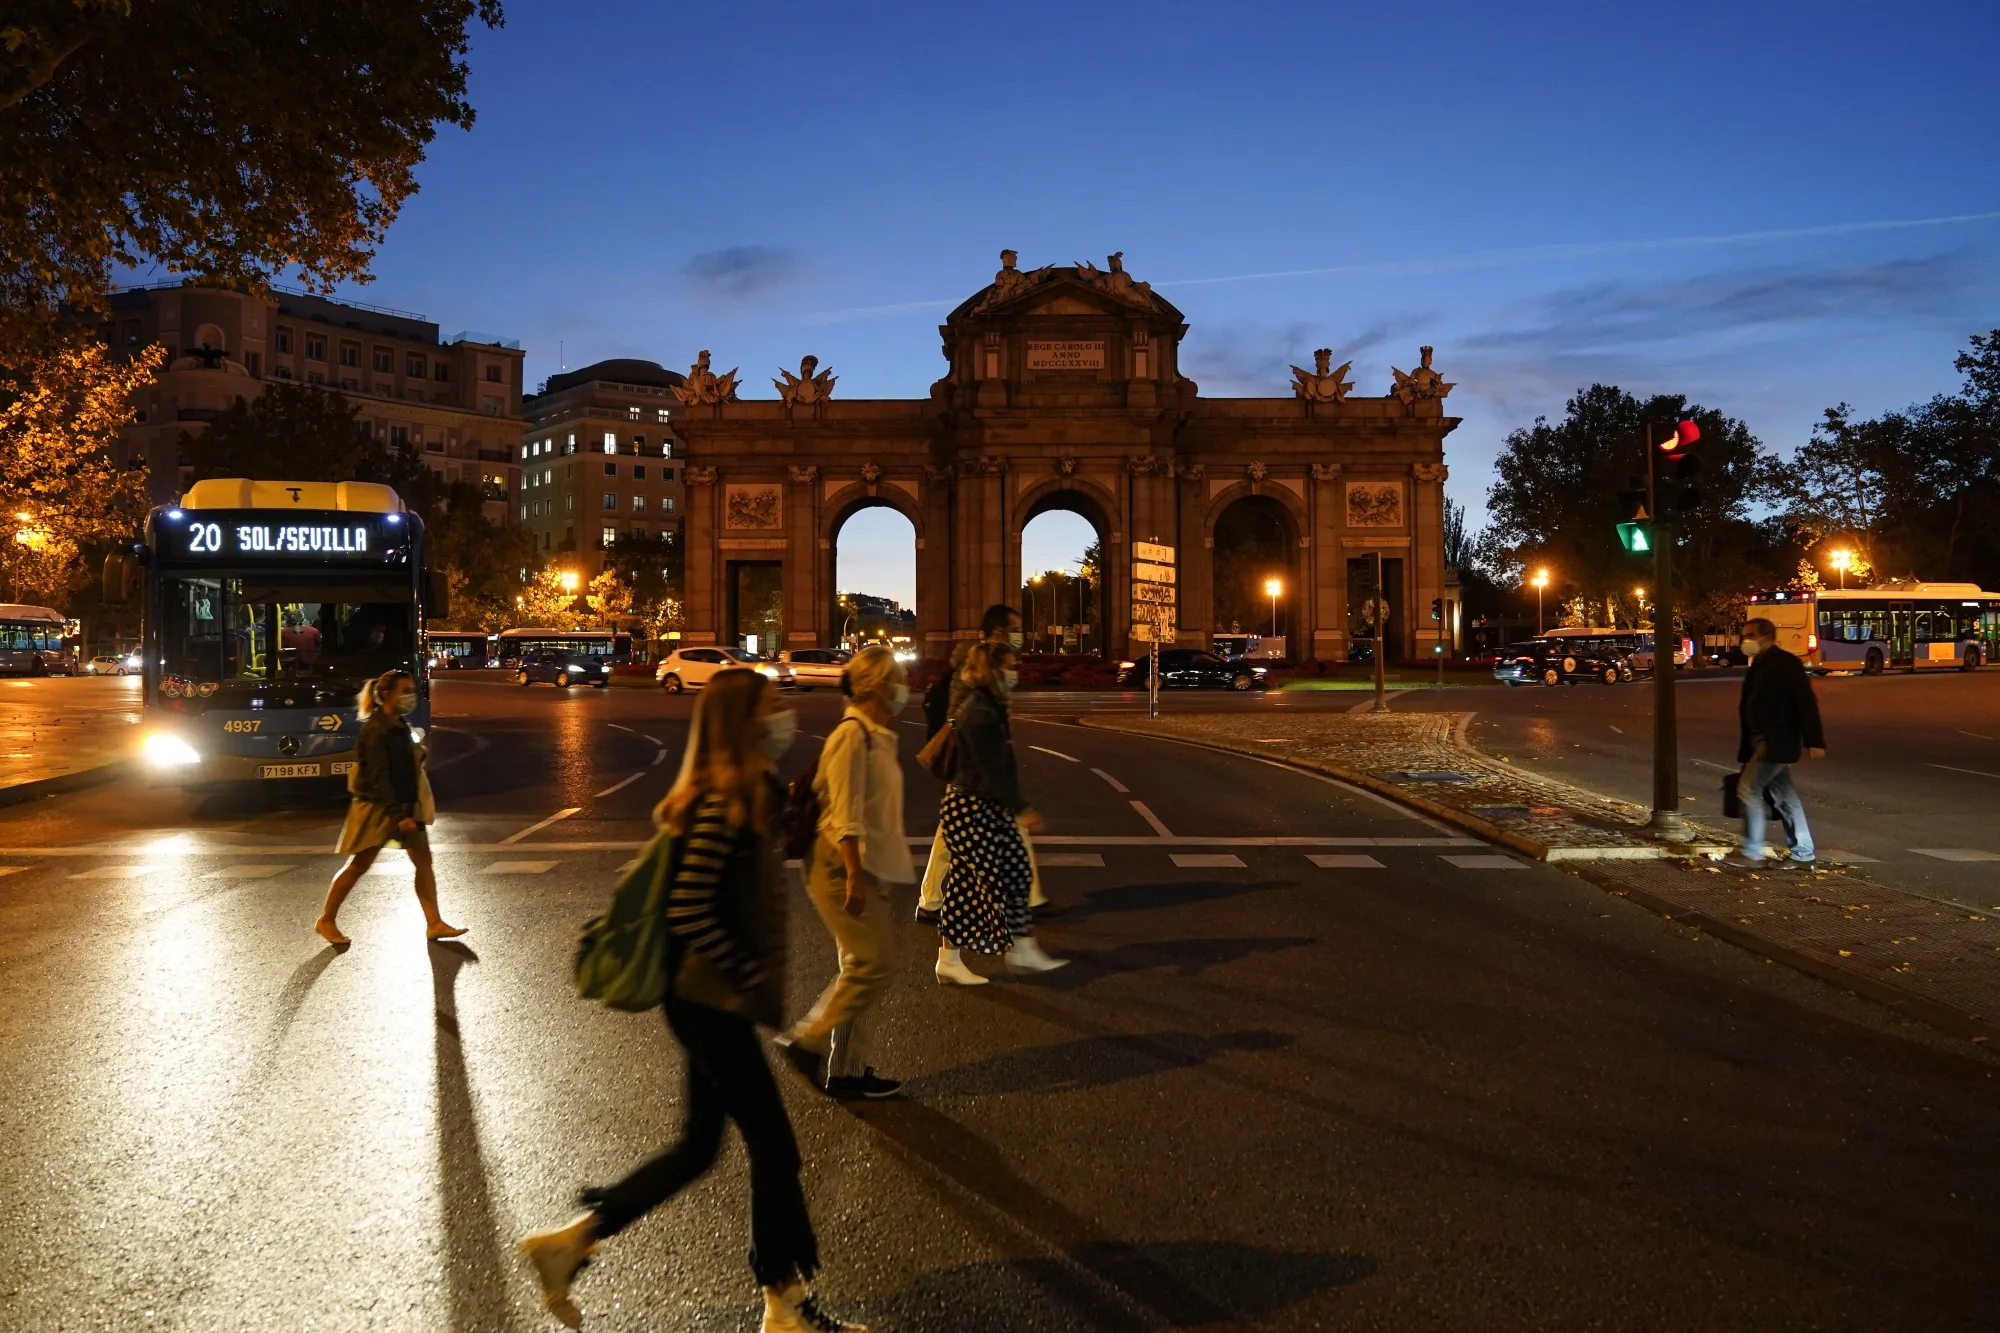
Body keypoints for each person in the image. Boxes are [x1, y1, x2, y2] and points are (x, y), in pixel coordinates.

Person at [517, 669, 863, 1333]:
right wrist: (744, 969)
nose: (783, 713)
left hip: (708, 1000)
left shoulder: (745, 791)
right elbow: (690, 906)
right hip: (709, 1001)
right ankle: (785, 1304)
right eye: (771, 706)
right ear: (744, 722)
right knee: (776, 1150)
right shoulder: (716, 802)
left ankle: (571, 1242)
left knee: (699, 1147)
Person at [777, 646, 915, 1100]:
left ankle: (846, 1070)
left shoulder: (873, 733)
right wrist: (855, 874)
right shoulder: (852, 736)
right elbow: (845, 814)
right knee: (875, 963)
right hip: (841, 865)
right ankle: (806, 1040)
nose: (903, 687)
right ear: (876, 685)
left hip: (861, 863)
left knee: (858, 966)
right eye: (897, 678)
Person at [933, 641, 1066, 985]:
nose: (1013, 673)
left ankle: (970, 956)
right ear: (993, 671)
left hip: (981, 804)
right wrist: (1022, 809)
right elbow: (991, 769)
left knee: (996, 878)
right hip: (971, 808)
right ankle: (1012, 949)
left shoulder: (988, 705)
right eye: (1008, 666)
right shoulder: (980, 712)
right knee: (992, 881)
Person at [917, 604, 1056, 922]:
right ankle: (937, 905)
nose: (1020, 636)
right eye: (1016, 629)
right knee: (961, 833)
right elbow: (966, 715)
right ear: (998, 631)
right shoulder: (978, 661)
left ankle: (1029, 897)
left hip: (976, 764)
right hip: (972, 766)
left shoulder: (991, 659)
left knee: (955, 833)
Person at [314, 669, 462, 945]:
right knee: (360, 864)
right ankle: (326, 919)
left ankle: (434, 923)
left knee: (423, 862)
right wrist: (398, 814)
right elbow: (379, 776)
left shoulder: (399, 725)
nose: (410, 696)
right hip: (380, 807)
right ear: (385, 695)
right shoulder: (376, 730)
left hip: (404, 805)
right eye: (403, 691)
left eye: (411, 690)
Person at [1732, 617, 1825, 868]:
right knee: (1786, 798)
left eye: (1750, 635)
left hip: (1776, 741)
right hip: (1763, 741)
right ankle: (1804, 854)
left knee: (1748, 789)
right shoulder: (1759, 664)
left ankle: (1752, 852)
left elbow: (1805, 703)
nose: (1745, 641)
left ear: (1767, 637)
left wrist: (1814, 740)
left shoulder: (1785, 664)